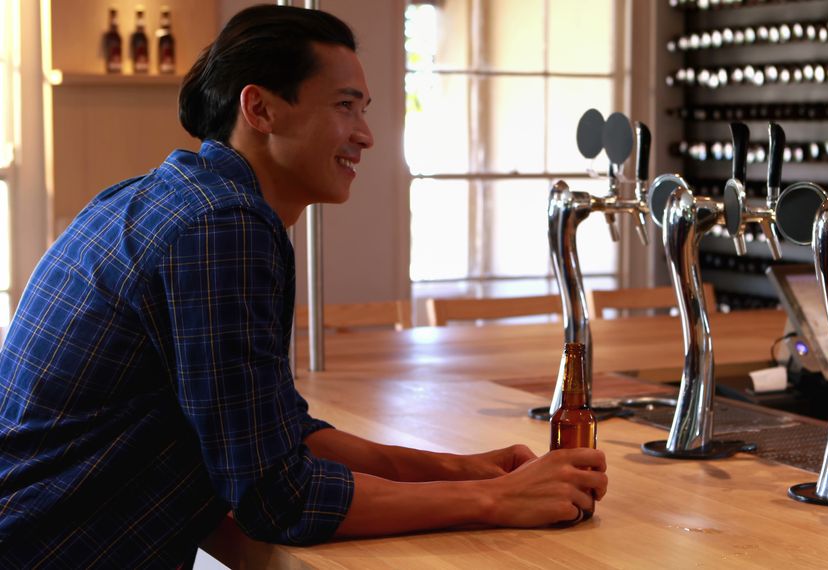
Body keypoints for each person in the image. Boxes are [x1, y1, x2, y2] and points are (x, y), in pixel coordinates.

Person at [0, 5, 606, 567]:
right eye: (346, 105)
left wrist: (463, 470)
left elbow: (278, 429)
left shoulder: (173, 197)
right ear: (260, 109)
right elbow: (277, 495)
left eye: (364, 108)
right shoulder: (221, 226)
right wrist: (496, 503)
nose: (366, 134)